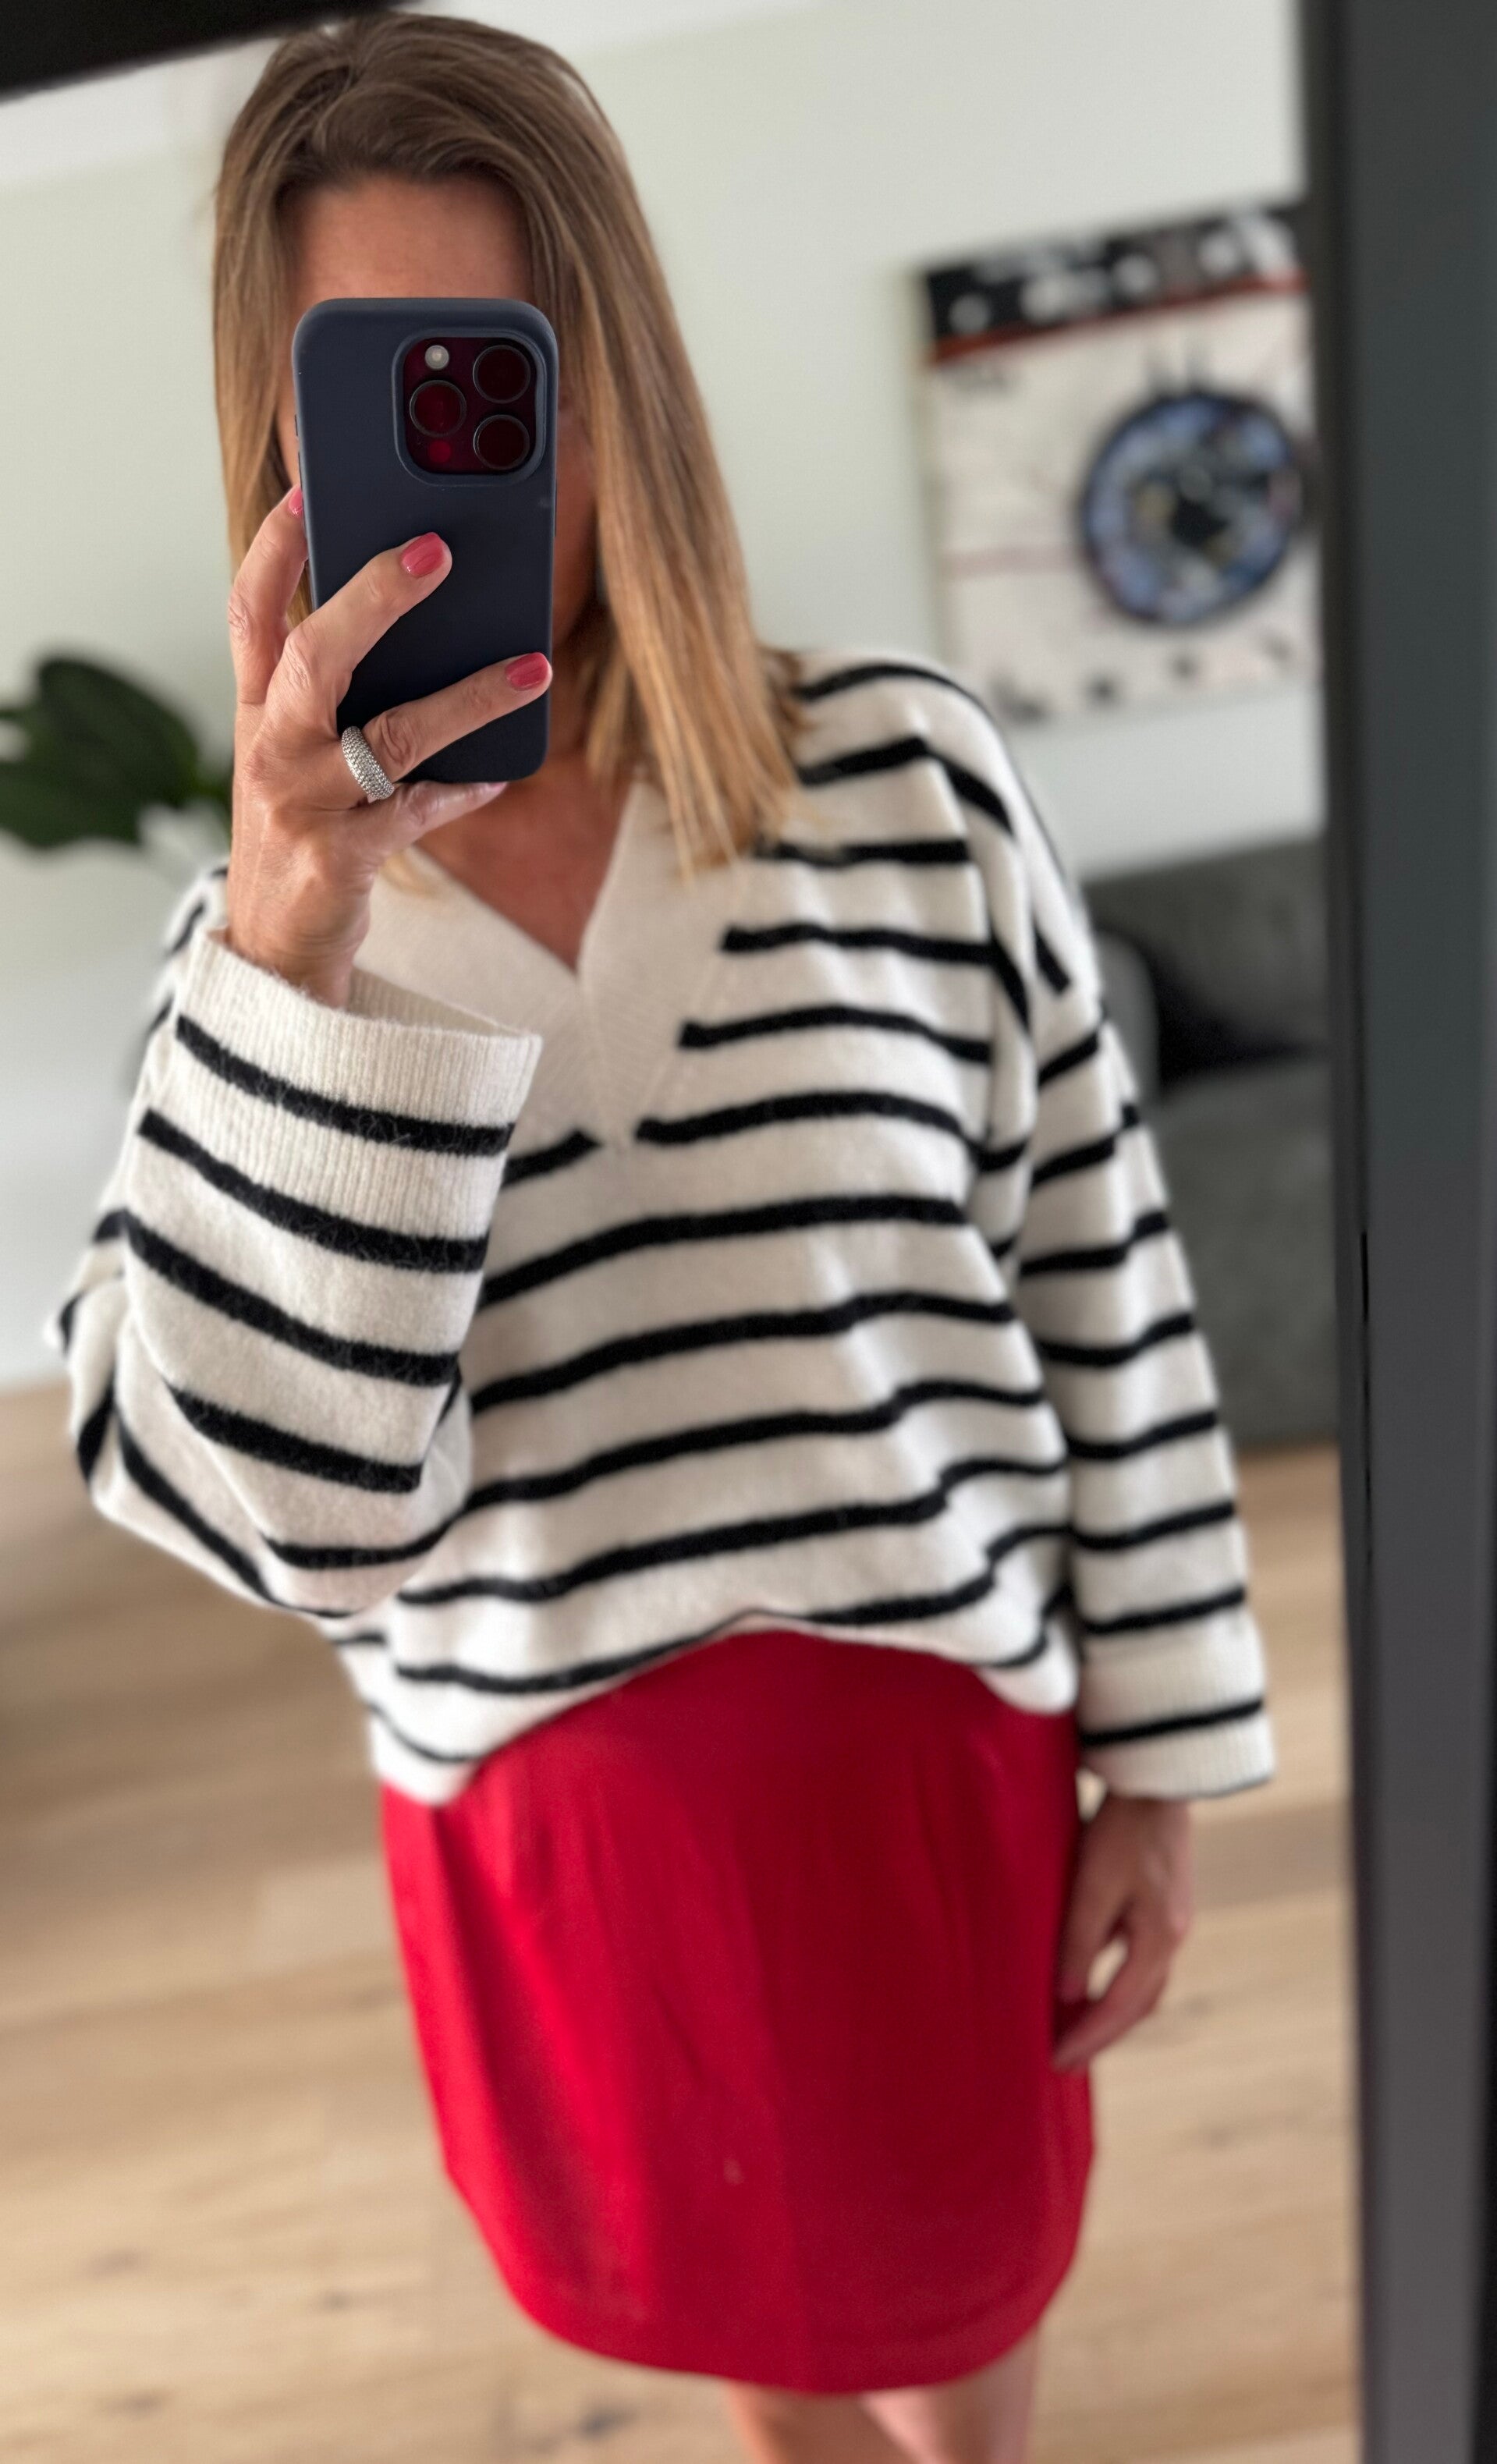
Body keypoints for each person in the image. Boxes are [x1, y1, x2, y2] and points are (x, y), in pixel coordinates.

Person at [51, 17, 1273, 2462]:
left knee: (967, 2353)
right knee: (765, 2372)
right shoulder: (252, 967)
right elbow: (303, 1527)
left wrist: (1162, 1753)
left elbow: (1104, 1279)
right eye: (383, 402)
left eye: (506, 383)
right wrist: (296, 948)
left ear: (623, 381)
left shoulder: (910, 781)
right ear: (282, 445)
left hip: (936, 1790)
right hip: (567, 1844)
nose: (464, 484)